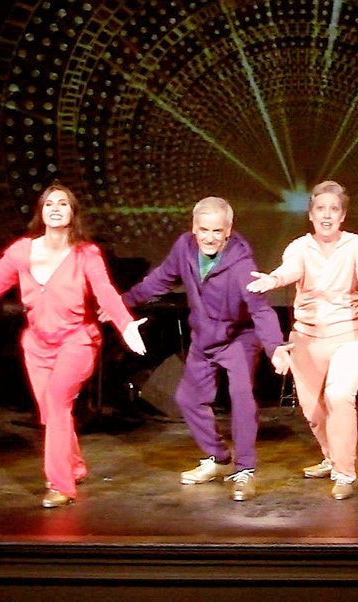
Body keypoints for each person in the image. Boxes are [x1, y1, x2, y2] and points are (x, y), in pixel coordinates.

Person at [0, 183, 149, 509]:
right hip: (37, 346)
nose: (55, 208)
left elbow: (105, 291)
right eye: (49, 203)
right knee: (52, 413)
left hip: (77, 341)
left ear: (73, 214)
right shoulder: (21, 252)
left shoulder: (86, 254)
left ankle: (61, 485)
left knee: (56, 403)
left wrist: (125, 323)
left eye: (63, 204)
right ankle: (76, 465)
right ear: (41, 211)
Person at [120, 197, 288, 501]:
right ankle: (217, 458)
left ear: (229, 231)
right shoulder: (184, 248)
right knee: (187, 398)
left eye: (217, 231)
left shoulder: (241, 265)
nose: (209, 237)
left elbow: (261, 310)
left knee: (241, 396)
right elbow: (160, 280)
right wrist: (122, 303)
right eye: (203, 230)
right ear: (193, 228)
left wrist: (274, 347)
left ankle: (244, 470)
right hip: (204, 337)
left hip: (239, 337)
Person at [247, 180, 358, 500]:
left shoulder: (357, 245)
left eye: (334, 209)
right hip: (307, 341)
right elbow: (288, 271)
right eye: (321, 209)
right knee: (314, 412)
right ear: (311, 214)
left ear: (343, 216)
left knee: (339, 395)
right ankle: (331, 456)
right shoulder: (300, 247)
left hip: (352, 338)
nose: (327, 215)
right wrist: (271, 280)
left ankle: (344, 471)